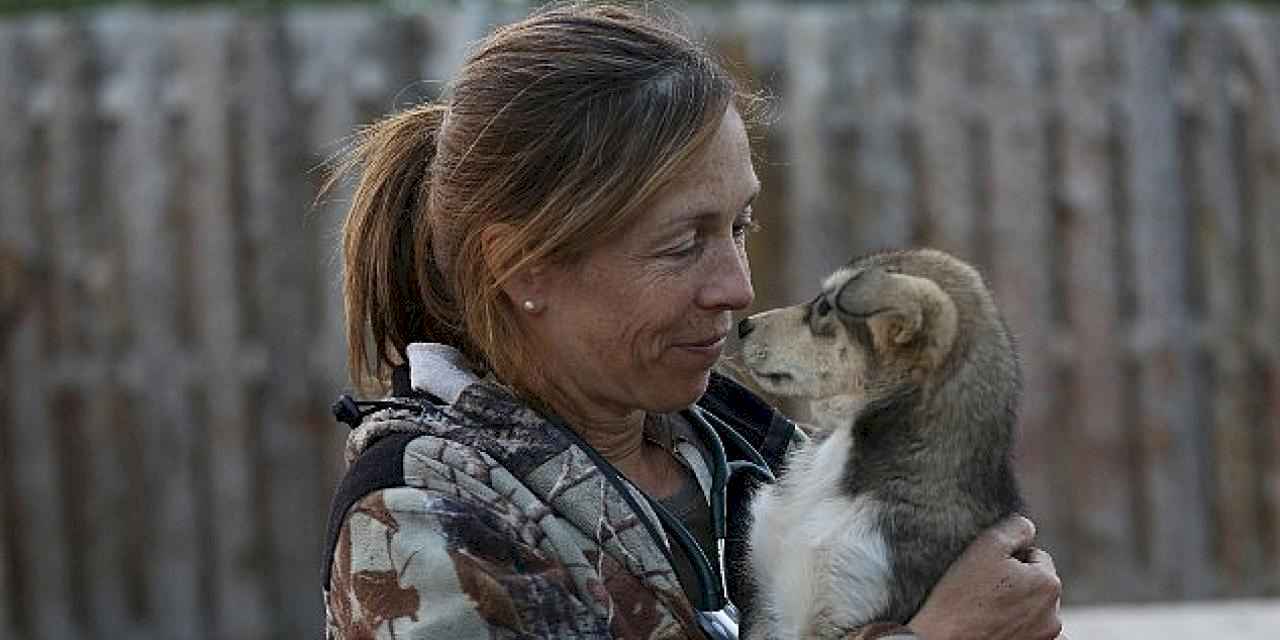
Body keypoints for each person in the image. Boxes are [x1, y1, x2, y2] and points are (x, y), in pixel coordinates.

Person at [322, 3, 1063, 639]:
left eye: (741, 226)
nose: (737, 289)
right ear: (522, 266)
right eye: (682, 245)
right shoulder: (425, 519)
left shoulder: (748, 449)